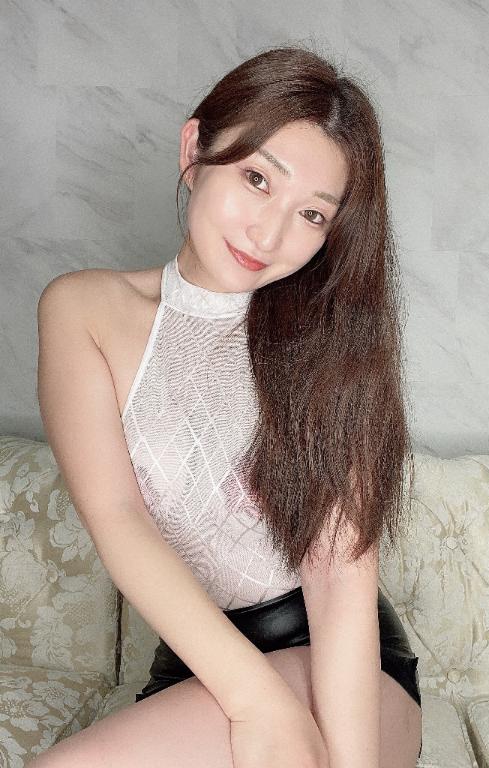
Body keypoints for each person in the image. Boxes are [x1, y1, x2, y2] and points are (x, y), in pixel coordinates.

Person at [33, 44, 422, 768]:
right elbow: (119, 519)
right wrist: (254, 701)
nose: (268, 235)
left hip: (336, 656)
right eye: (256, 178)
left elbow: (340, 583)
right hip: (200, 664)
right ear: (194, 150)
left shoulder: (333, 345)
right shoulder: (83, 310)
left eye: (312, 214)